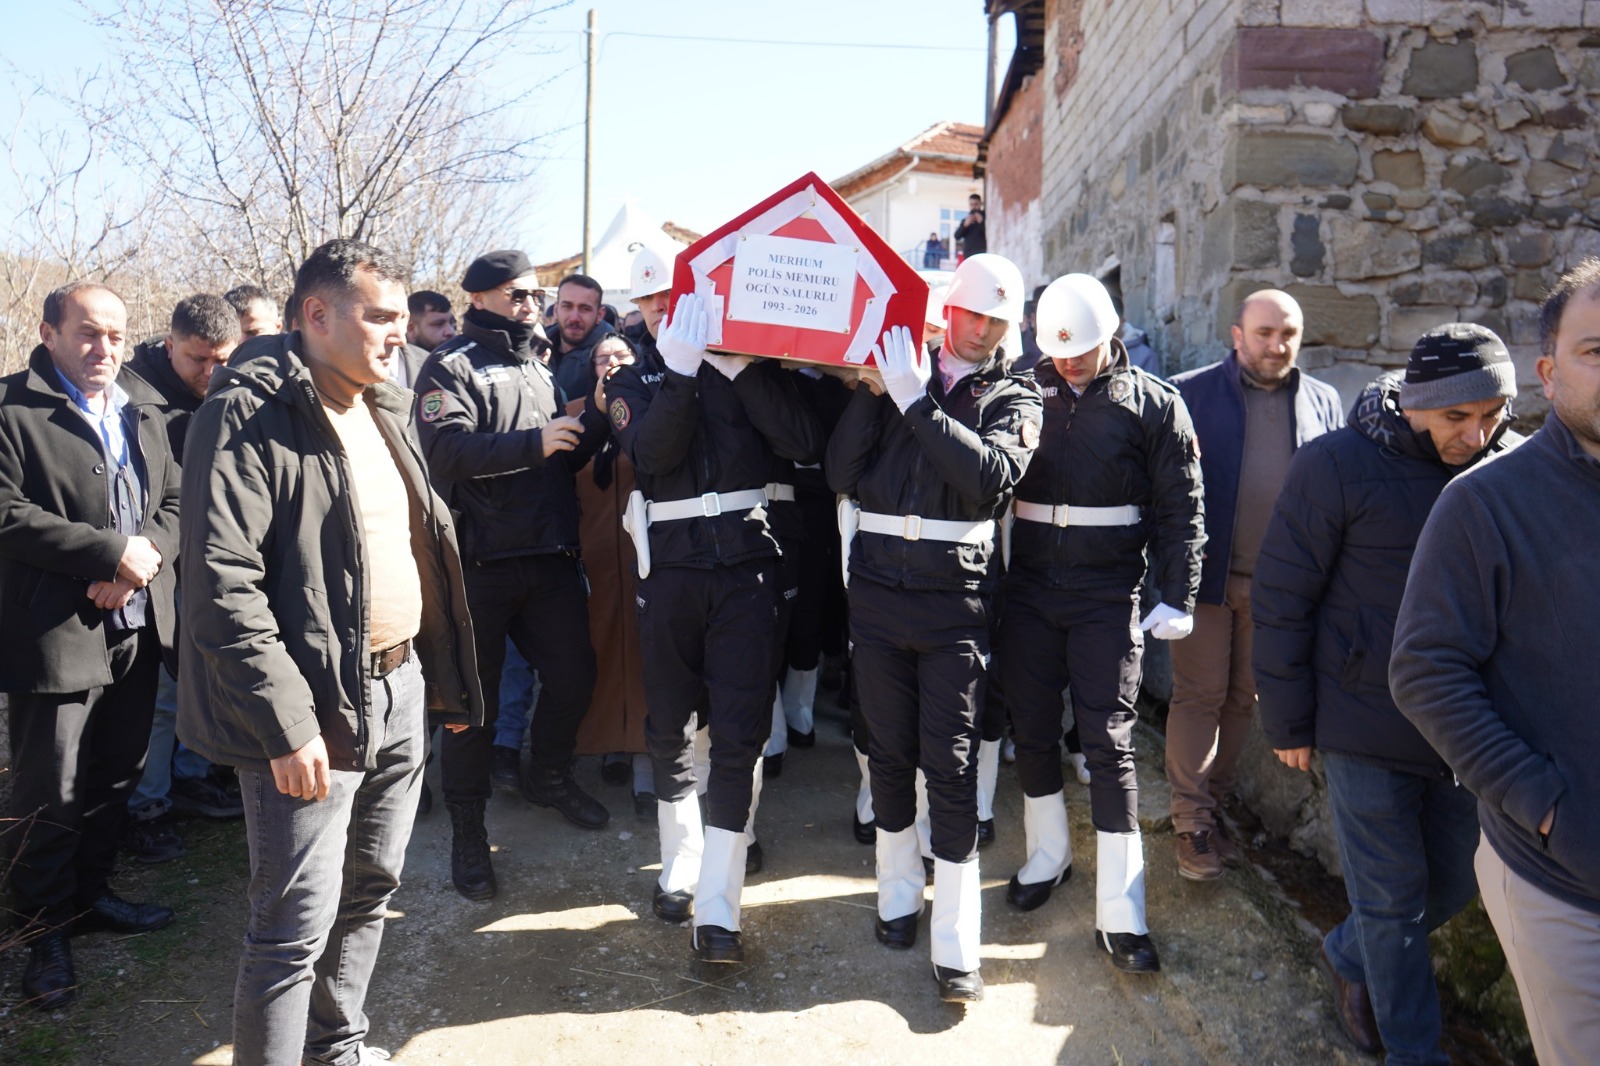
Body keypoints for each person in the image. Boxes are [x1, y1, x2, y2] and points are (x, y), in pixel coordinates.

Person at [178, 238, 483, 1066]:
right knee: (290, 930)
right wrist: (285, 725)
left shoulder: (381, 404)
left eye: (399, 316)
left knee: (371, 893)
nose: (399, 334)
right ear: (316, 315)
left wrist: (438, 684)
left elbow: (419, 547)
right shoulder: (245, 412)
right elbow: (220, 584)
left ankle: (337, 1048)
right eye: (379, 316)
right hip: (313, 711)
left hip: (400, 685)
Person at [1254, 324, 1519, 1060]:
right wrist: (1287, 719)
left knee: (1461, 880)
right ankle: (1415, 1051)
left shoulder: (1511, 469)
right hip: (1363, 721)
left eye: (1493, 415)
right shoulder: (1335, 466)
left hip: (1468, 730)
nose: (1478, 434)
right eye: (1456, 419)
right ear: (1417, 405)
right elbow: (1282, 597)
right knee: (1393, 903)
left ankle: (1345, 952)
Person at [1391, 259, 1600, 1066]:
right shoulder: (1485, 502)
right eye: (1596, 350)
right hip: (1566, 886)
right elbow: (1425, 671)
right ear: (1548, 374)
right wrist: (1546, 807)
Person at [827, 252, 1042, 1003]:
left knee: (949, 765)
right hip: (881, 589)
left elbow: (988, 478)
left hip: (958, 599)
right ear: (947, 309)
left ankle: (956, 944)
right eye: (972, 312)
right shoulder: (898, 368)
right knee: (885, 750)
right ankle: (895, 896)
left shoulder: (1017, 391)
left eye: (997, 319)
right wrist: (873, 391)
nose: (981, 330)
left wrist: (918, 402)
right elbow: (840, 474)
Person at [995, 273, 1204, 974]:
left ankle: (1123, 911)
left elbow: (1182, 506)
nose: (1070, 364)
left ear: (1111, 333)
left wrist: (1178, 590)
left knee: (1108, 740)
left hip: (1106, 592)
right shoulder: (1023, 381)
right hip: (1027, 584)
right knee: (1029, 722)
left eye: (1081, 351)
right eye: (1058, 352)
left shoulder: (1154, 403)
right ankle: (1047, 854)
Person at [605, 289, 822, 964]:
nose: (667, 310)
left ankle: (719, 906)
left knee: (740, 730)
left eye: (678, 298)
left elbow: (802, 443)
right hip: (670, 568)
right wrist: (678, 372)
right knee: (670, 724)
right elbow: (652, 455)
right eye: (653, 303)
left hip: (746, 567)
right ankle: (680, 865)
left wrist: (739, 371)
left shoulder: (751, 369)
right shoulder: (632, 377)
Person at [0, 281, 181, 1011]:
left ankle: (91, 896)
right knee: (50, 788)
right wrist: (108, 555)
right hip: (56, 631)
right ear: (48, 333)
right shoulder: (13, 409)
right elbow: (8, 512)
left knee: (115, 773)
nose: (103, 348)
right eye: (86, 333)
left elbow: (172, 502)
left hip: (137, 622)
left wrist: (143, 557)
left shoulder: (143, 405)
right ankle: (41, 931)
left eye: (114, 333)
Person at [413, 249, 611, 902]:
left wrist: (601, 417)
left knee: (576, 674)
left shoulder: (538, 362)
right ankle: (469, 831)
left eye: (534, 292)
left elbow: (561, 448)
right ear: (480, 299)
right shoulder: (451, 366)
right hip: (480, 565)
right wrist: (534, 443)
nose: (531, 302)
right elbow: (446, 451)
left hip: (548, 556)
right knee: (473, 708)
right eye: (516, 293)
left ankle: (548, 774)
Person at [1164, 290, 1343, 879]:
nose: (1277, 345)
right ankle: (1190, 824)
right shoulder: (1189, 393)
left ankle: (1209, 811)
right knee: (1200, 695)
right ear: (1236, 335)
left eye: (1287, 333)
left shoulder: (1322, 402)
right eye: (1264, 332)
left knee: (1245, 699)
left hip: (1281, 591)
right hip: (1208, 579)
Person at [120, 294, 244, 865]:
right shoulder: (131, 397)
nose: (211, 373)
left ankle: (193, 776)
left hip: (215, 562)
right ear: (168, 346)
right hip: (153, 564)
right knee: (162, 695)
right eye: (198, 359)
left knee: (205, 677)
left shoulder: (229, 390)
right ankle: (148, 806)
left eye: (223, 359)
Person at [549, 273, 614, 401]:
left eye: (585, 309)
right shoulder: (533, 351)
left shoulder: (614, 360)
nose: (574, 318)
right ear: (556, 310)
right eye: (567, 306)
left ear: (600, 315)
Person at [954, 194, 986, 259]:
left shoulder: (986, 217)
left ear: (980, 204)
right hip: (968, 256)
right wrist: (964, 225)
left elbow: (991, 235)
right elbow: (956, 236)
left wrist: (981, 222)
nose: (973, 207)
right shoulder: (966, 220)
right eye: (971, 204)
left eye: (976, 204)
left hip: (982, 255)